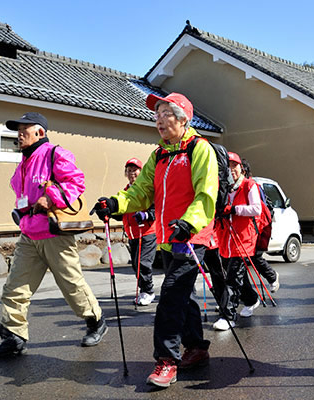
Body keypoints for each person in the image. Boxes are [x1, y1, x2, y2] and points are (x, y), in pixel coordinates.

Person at [92, 93, 217, 387]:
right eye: (157, 114)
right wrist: (115, 204)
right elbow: (141, 192)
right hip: (166, 239)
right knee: (183, 298)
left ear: (183, 118)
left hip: (190, 238)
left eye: (165, 114)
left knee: (170, 298)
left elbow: (206, 193)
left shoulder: (200, 149)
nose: (159, 119)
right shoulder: (159, 155)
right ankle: (196, 348)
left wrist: (189, 223)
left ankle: (166, 361)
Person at [0, 112, 106, 358]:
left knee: (71, 286)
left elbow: (75, 183)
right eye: (16, 130)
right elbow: (24, 197)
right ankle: (13, 337)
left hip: (54, 234)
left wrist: (50, 198)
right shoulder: (23, 163)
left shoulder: (55, 153)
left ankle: (96, 322)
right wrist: (20, 213)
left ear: (39, 132)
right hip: (29, 236)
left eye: (23, 130)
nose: (18, 135)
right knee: (14, 288)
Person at [212, 152, 262, 331]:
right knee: (236, 276)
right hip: (225, 238)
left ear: (241, 167)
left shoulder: (249, 185)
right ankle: (252, 299)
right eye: (228, 166)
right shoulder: (223, 187)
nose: (232, 170)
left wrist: (234, 209)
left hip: (244, 239)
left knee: (232, 279)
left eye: (235, 166)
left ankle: (228, 316)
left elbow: (256, 209)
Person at [115, 158, 157, 306]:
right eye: (129, 170)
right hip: (133, 233)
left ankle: (148, 292)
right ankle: (143, 291)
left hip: (147, 232)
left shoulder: (146, 189)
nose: (132, 173)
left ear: (141, 172)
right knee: (135, 264)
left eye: (135, 170)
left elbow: (156, 208)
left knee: (143, 263)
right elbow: (123, 210)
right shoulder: (126, 191)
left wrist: (146, 215)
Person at [240, 158, 280, 292]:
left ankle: (272, 277)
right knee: (242, 260)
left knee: (254, 256)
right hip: (245, 229)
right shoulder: (237, 187)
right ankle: (238, 294)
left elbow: (260, 211)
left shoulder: (252, 186)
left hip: (257, 228)